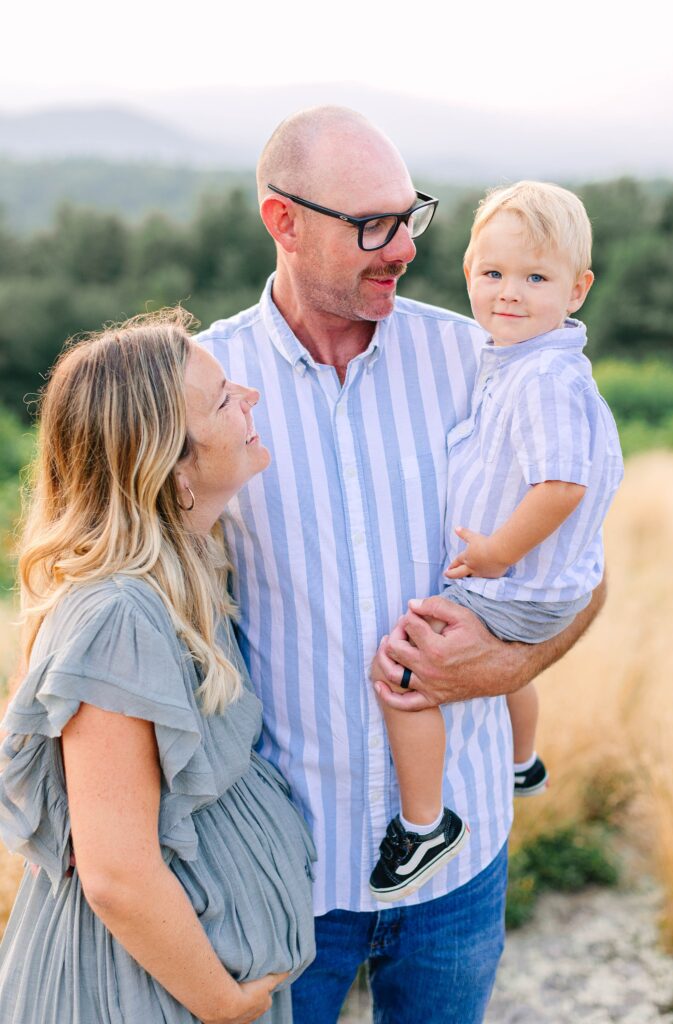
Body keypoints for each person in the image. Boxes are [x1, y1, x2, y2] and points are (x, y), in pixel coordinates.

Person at [196, 107, 605, 1023]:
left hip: (460, 871)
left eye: (408, 216)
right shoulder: (204, 389)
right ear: (283, 221)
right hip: (281, 872)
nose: (403, 249)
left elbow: (583, 563)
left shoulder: (490, 360)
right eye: (370, 225)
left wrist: (510, 666)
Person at [0, 310, 315, 1024]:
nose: (251, 400)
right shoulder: (117, 617)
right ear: (170, 467)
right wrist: (225, 1002)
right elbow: (116, 873)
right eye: (223, 398)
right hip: (145, 993)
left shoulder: (188, 571)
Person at [369, 181, 623, 902]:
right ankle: (521, 761)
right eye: (493, 274)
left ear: (576, 290)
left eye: (535, 278)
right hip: (537, 583)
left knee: (404, 671)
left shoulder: (544, 376)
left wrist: (494, 555)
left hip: (518, 581)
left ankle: (423, 825)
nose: (509, 293)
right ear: (468, 273)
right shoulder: (512, 359)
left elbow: (560, 485)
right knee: (510, 666)